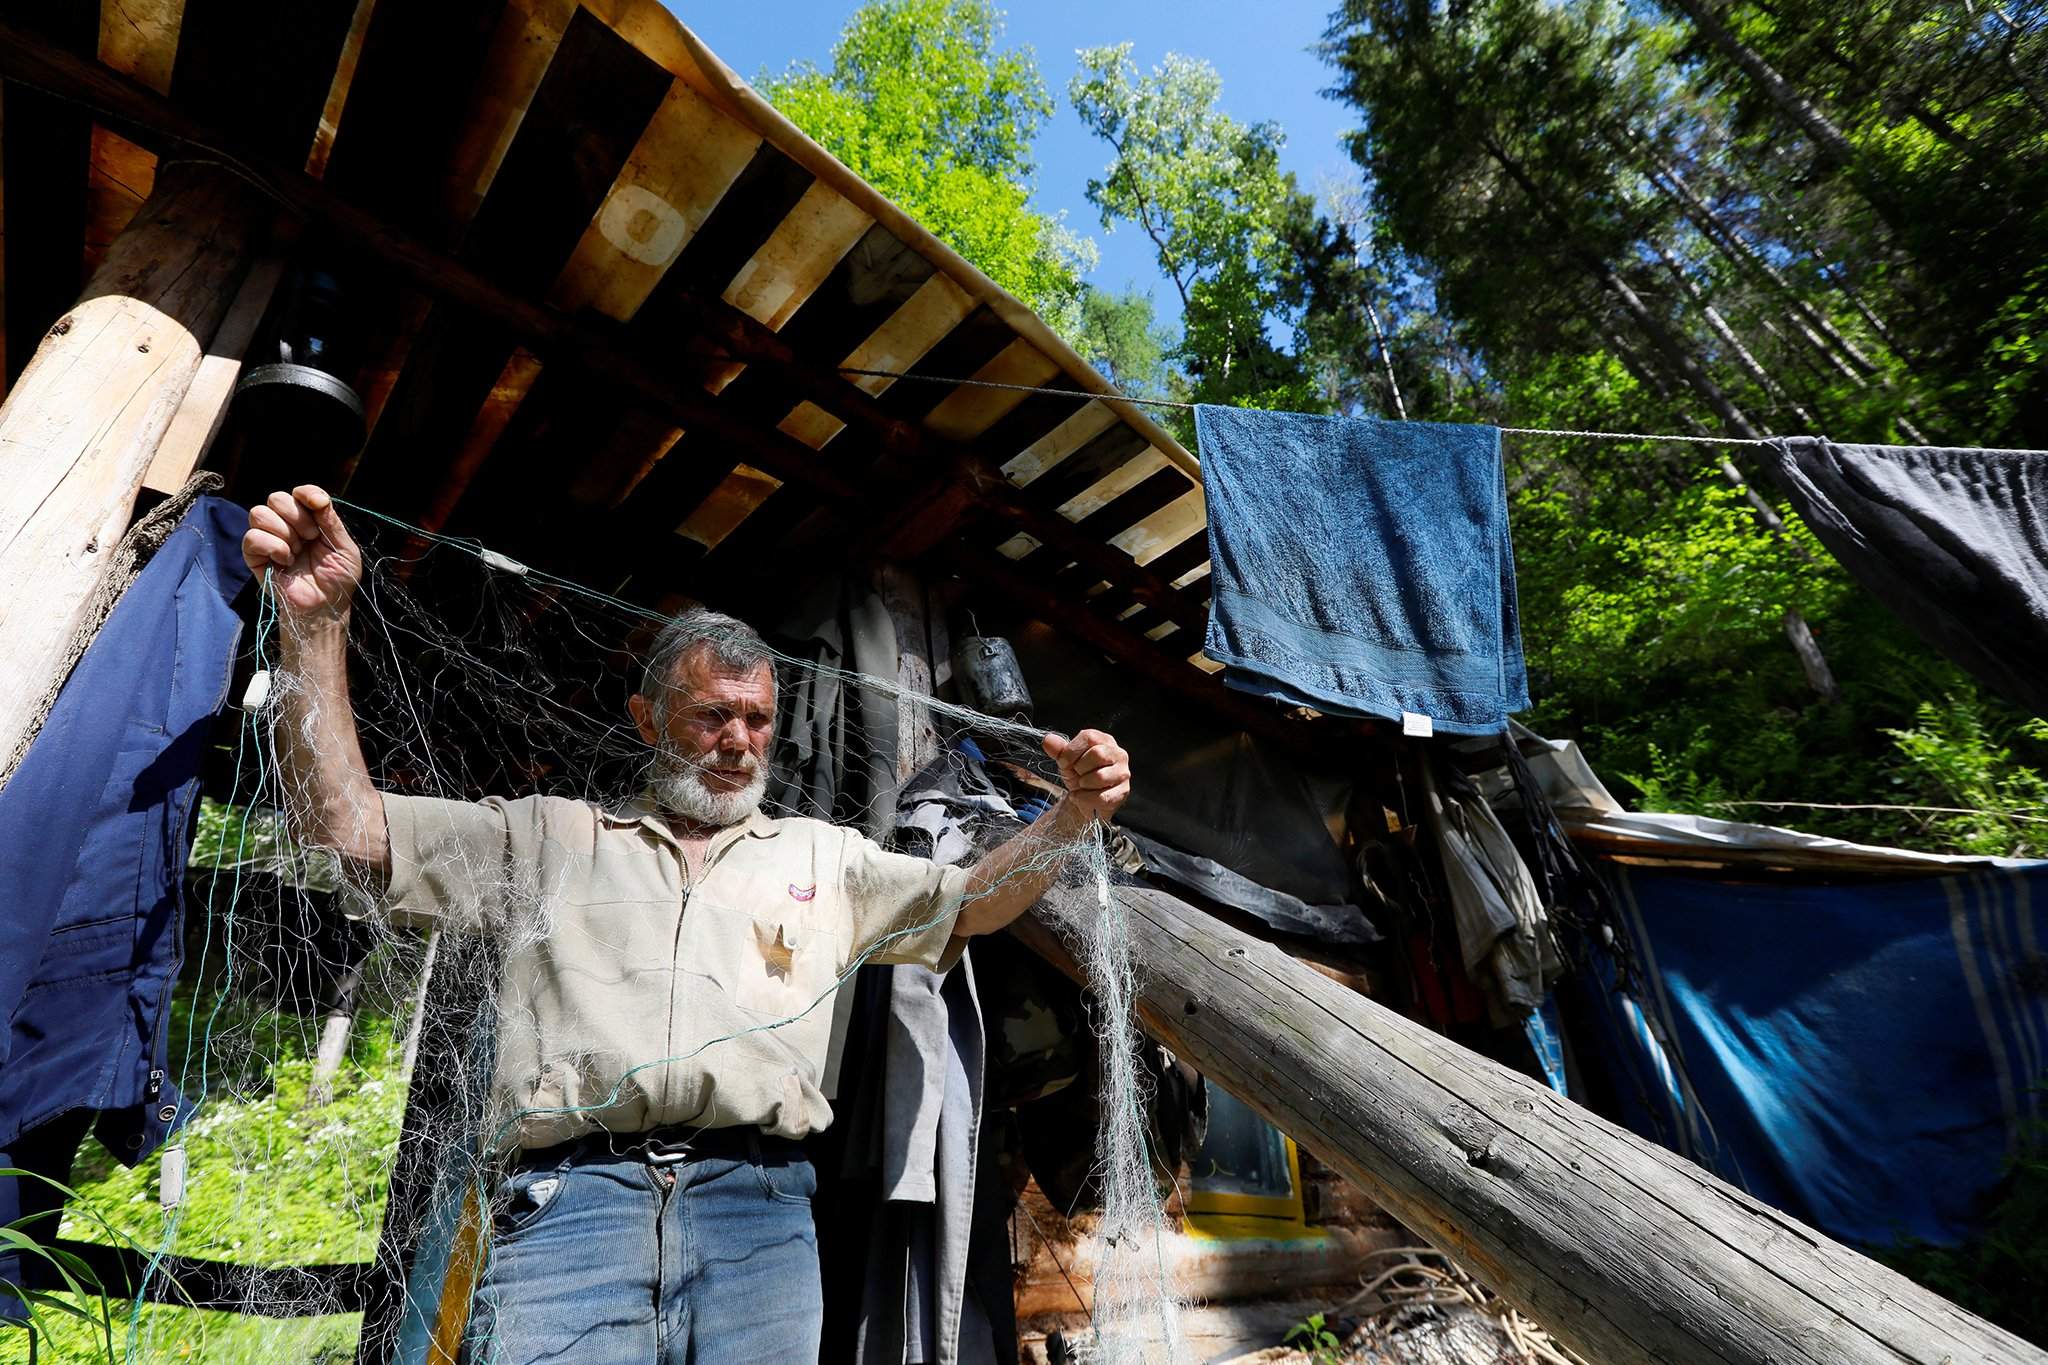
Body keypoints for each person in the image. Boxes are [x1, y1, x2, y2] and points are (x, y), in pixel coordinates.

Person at [242, 485, 1131, 1364]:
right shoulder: (545, 833)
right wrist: (316, 630)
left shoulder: (827, 857)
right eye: (713, 714)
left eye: (756, 719)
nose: (739, 740)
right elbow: (348, 831)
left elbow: (975, 899)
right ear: (647, 717)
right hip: (567, 1218)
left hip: (761, 1219)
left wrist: (1069, 818)